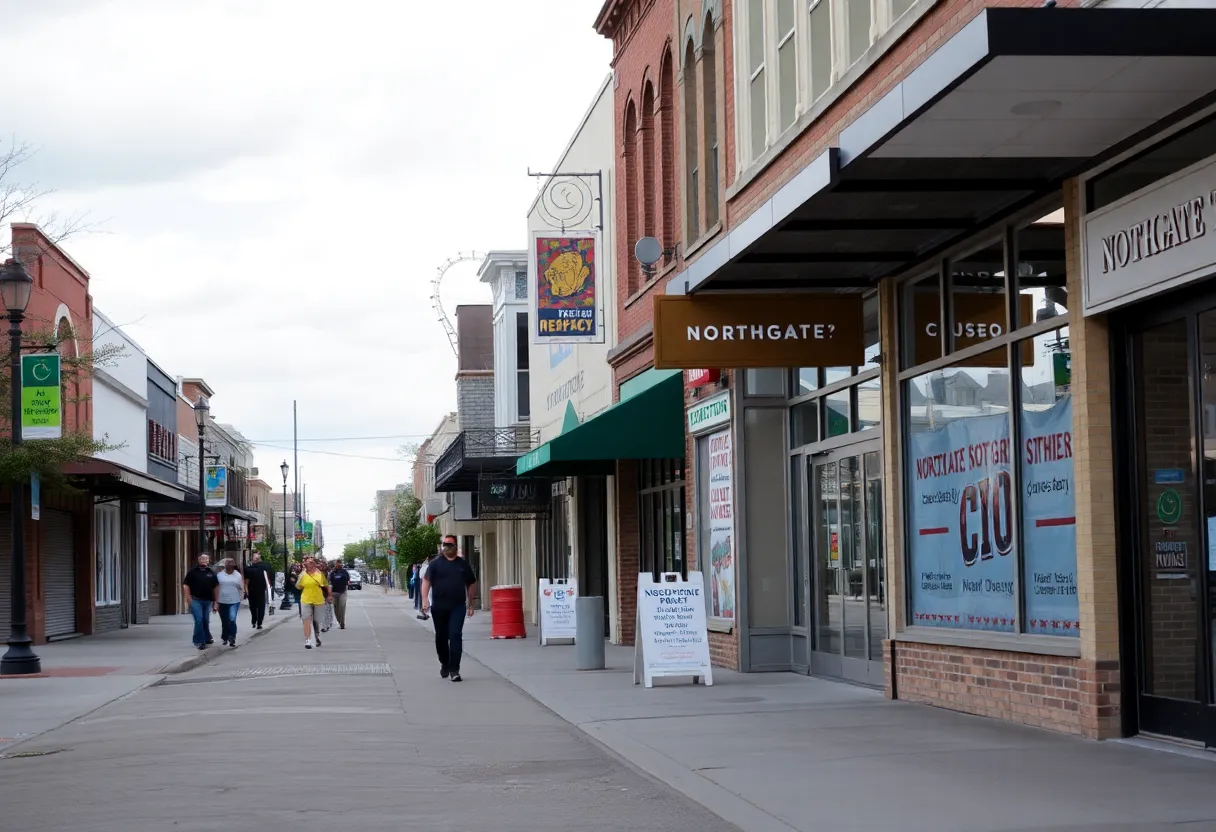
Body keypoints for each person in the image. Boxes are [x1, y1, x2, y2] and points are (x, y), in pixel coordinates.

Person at [420, 535, 477, 683]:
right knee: (441, 638)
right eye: (445, 544)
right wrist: (425, 601)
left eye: (450, 545)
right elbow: (426, 581)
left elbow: (471, 583)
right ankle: (444, 662)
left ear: (455, 546)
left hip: (458, 606)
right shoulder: (435, 564)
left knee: (455, 635)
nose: (447, 547)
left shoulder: (463, 564)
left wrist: (470, 604)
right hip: (439, 607)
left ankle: (454, 669)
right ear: (442, 546)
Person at [181, 554, 219, 651]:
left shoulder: (211, 572)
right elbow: (186, 585)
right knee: (199, 620)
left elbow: (216, 587)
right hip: (195, 600)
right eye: (203, 558)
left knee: (205, 620)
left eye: (206, 558)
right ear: (199, 560)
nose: (205, 560)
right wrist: (188, 597)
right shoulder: (192, 572)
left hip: (207, 600)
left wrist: (216, 602)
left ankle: (207, 637)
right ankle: (199, 641)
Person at [295, 557, 330, 649]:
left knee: (316, 620)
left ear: (314, 564)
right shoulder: (303, 574)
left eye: (311, 562)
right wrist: (302, 574)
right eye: (307, 562)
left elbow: (326, 586)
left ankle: (316, 636)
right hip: (306, 600)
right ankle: (308, 640)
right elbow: (298, 586)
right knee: (306, 619)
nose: (308, 564)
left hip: (318, 600)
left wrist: (329, 595)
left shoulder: (320, 575)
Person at [216, 558, 244, 647]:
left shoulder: (238, 575)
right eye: (227, 564)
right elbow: (215, 588)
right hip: (222, 601)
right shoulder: (219, 575)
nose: (228, 566)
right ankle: (225, 637)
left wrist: (242, 595)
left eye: (230, 564)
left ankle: (232, 637)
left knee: (231, 619)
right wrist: (215, 601)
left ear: (233, 566)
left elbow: (241, 587)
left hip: (234, 601)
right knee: (224, 621)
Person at [244, 552, 272, 630]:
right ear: (252, 559)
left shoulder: (264, 567)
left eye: (257, 558)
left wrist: (268, 590)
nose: (256, 559)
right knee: (252, 607)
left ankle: (259, 623)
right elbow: (247, 581)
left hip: (261, 590)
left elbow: (267, 578)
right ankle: (254, 620)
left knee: (261, 608)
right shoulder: (249, 569)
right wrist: (246, 591)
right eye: (255, 557)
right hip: (252, 591)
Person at [327, 560, 351, 630]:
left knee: (342, 607)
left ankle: (342, 623)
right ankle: (339, 621)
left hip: (342, 592)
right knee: (336, 609)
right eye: (337, 563)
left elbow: (348, 580)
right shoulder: (332, 573)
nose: (338, 565)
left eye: (339, 563)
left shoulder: (344, 572)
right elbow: (329, 582)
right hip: (334, 593)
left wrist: (347, 584)